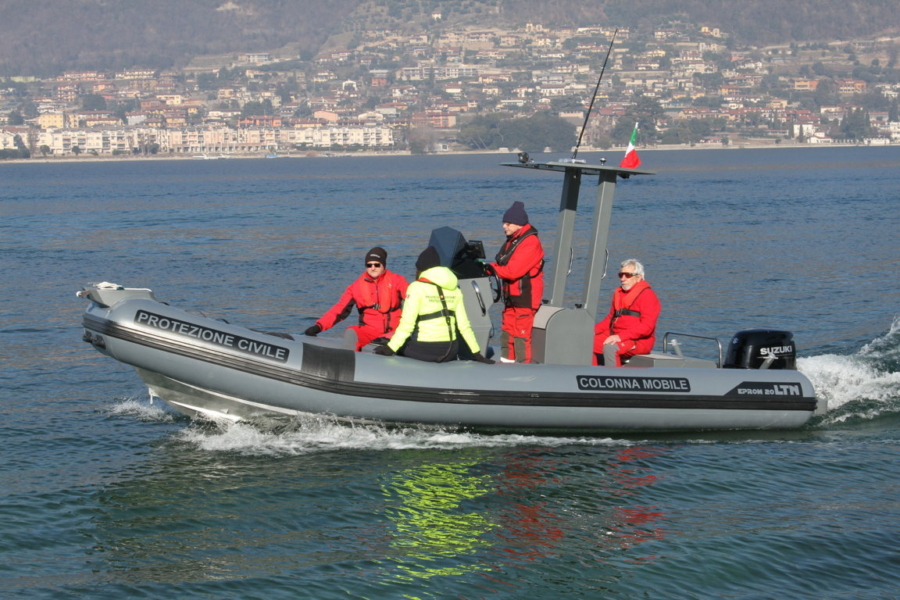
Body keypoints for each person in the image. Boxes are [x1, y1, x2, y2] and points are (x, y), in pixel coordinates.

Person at [375, 246, 494, 364]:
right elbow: (464, 326)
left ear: (421, 269)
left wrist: (390, 348)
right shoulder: (455, 289)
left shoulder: (416, 287)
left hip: (427, 349)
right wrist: (477, 353)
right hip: (451, 350)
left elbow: (407, 325)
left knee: (400, 346)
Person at [305, 247, 408, 351]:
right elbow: (339, 309)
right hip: (369, 331)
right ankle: (350, 360)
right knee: (351, 332)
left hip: (394, 331)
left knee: (397, 336)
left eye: (376, 265)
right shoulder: (356, 287)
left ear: (383, 266)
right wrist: (319, 326)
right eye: (369, 265)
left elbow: (413, 301)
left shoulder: (397, 281)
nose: (373, 268)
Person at [485, 201, 544, 364]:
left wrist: (489, 268)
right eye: (504, 223)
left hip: (525, 298)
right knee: (507, 332)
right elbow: (503, 264)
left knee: (521, 335)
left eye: (507, 223)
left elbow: (513, 271)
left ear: (518, 223)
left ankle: (523, 369)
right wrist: (486, 267)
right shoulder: (513, 239)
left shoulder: (530, 242)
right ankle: (506, 364)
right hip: (512, 297)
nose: (504, 226)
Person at [593, 258, 661, 367]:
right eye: (621, 275)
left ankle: (613, 380)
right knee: (587, 342)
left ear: (638, 277)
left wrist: (620, 337)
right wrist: (589, 331)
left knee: (611, 347)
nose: (623, 279)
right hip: (616, 335)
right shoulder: (619, 294)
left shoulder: (648, 296)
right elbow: (609, 320)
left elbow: (647, 327)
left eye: (627, 275)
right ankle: (591, 374)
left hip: (638, 341)